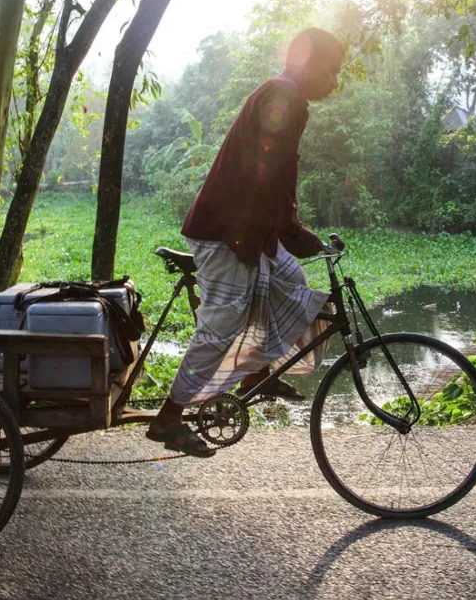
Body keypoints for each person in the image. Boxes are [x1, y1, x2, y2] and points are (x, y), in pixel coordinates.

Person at [147, 27, 345, 456]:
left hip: (254, 235)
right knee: (220, 329)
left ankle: (255, 374)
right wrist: (295, 232)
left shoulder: (290, 96)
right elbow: (267, 172)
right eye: (332, 70)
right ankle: (168, 419)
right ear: (310, 63)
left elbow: (276, 178)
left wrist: (288, 232)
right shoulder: (284, 95)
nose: (335, 81)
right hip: (228, 234)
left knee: (292, 288)